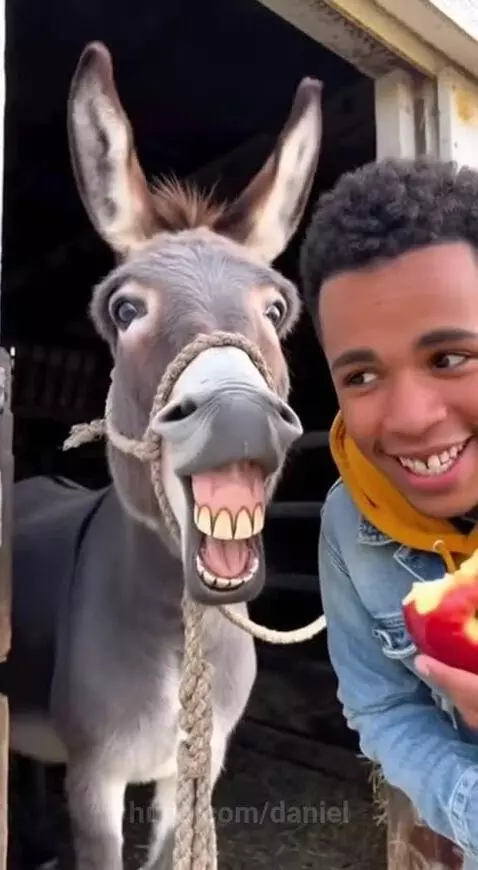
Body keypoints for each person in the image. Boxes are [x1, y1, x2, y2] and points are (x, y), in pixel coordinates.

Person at [299, 156, 478, 870]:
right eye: (363, 376)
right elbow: (381, 708)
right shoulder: (350, 523)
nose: (408, 419)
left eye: (449, 357)